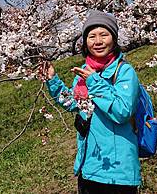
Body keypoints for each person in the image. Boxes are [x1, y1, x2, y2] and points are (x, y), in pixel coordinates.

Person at [40, 11, 141, 193]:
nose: (98, 41)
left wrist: (94, 82)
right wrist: (53, 80)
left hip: (117, 172)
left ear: (114, 39)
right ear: (85, 42)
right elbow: (74, 103)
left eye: (104, 35)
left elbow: (122, 112)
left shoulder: (125, 72)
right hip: (89, 165)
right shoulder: (85, 71)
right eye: (92, 36)